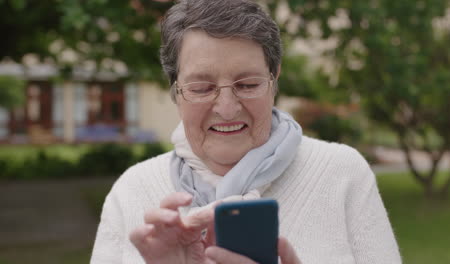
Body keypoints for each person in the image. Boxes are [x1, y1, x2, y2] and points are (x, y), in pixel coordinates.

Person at [90, 0, 402, 263]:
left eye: (248, 85)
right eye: (202, 88)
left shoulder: (341, 174)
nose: (227, 108)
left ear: (274, 78)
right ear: (176, 90)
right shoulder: (131, 192)